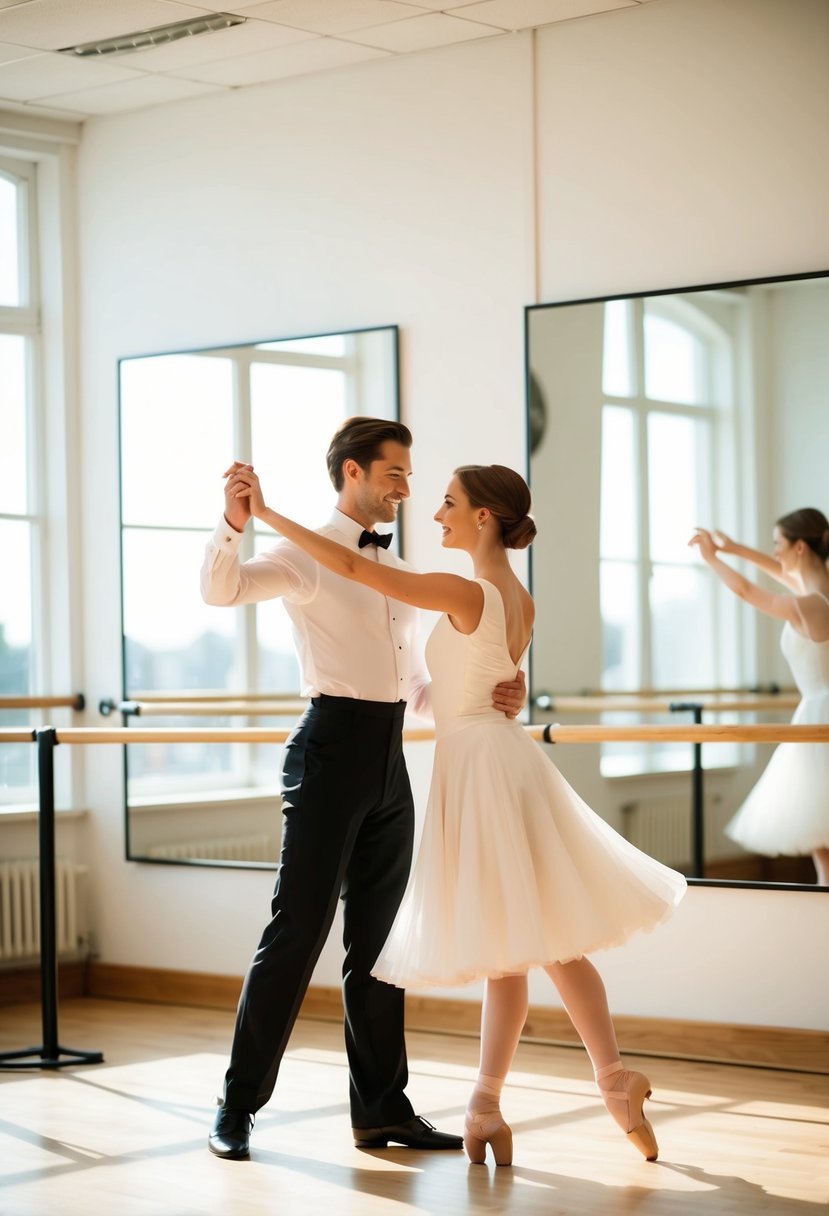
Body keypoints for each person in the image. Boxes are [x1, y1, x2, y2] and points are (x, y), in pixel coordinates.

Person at [231, 459, 688, 1167]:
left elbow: (357, 574)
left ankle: (544, 1094)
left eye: (447, 503)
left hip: (479, 768)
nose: (435, 514)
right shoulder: (517, 597)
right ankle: (535, 1097)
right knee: (530, 943)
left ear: (482, 517)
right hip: (499, 759)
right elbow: (480, 681)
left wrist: (271, 516)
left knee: (526, 943)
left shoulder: (461, 589)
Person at [200, 418, 526, 1160]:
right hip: (327, 752)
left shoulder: (402, 570)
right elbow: (221, 591)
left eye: (410, 477)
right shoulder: (299, 555)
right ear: (352, 473)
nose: (406, 489)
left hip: (389, 757)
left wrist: (490, 697)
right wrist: (231, 524)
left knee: (380, 946)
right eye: (394, 475)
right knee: (295, 934)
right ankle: (236, 1106)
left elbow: (415, 686)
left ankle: (381, 1111)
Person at [690, 509, 829, 885]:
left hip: (821, 713)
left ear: (799, 547)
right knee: (822, 832)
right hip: (816, 710)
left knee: (823, 828)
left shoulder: (809, 604)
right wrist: (736, 549)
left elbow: (747, 591)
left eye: (777, 544)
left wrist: (713, 559)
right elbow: (779, 572)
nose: (775, 553)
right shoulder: (818, 593)